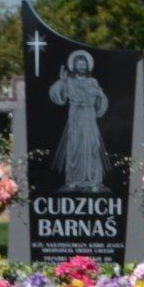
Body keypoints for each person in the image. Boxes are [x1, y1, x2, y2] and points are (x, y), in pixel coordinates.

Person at [50, 49, 109, 193]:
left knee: (91, 147)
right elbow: (58, 97)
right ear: (75, 66)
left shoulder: (92, 81)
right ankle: (73, 180)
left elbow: (102, 100)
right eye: (79, 65)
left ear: (87, 66)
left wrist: (99, 95)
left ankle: (93, 181)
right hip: (75, 116)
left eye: (84, 65)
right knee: (74, 147)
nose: (82, 68)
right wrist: (61, 82)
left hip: (88, 116)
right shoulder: (69, 81)